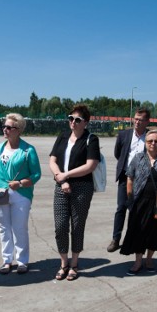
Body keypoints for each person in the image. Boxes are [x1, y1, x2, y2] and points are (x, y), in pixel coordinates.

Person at [0, 113, 42, 274]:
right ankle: (7, 260)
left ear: (19, 130)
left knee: (19, 228)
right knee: (3, 228)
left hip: (21, 194)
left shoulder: (28, 150)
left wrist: (21, 183)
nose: (5, 129)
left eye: (9, 127)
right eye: (4, 126)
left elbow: (36, 174)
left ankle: (22, 260)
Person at [49, 104, 101, 281]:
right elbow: (52, 160)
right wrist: (60, 178)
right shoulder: (63, 136)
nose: (73, 122)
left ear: (85, 122)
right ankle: (63, 263)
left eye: (77, 120)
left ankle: (74, 264)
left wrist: (67, 175)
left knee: (77, 226)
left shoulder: (91, 139)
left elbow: (90, 165)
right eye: (70, 118)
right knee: (60, 226)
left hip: (81, 188)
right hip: (60, 186)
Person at [120, 130, 157, 274]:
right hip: (140, 201)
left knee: (156, 231)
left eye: (156, 141)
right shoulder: (138, 158)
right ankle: (138, 261)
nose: (153, 143)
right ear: (145, 143)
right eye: (150, 141)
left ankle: (149, 259)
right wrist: (130, 197)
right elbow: (130, 178)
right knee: (138, 231)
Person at [107, 108, 151, 253]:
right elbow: (118, 153)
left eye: (141, 120)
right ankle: (116, 239)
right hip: (126, 178)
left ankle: (134, 237)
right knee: (121, 208)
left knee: (138, 210)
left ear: (147, 121)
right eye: (136, 119)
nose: (137, 122)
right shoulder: (124, 135)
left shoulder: (150, 136)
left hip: (143, 180)